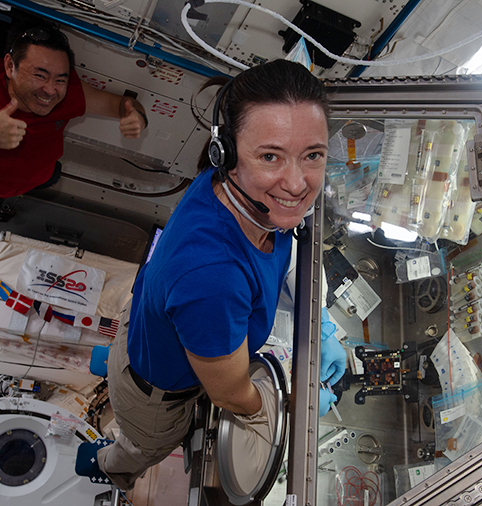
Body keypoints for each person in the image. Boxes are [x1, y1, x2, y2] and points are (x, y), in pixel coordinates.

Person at [89, 59, 347, 491]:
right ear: (224, 153)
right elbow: (231, 395)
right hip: (155, 401)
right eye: (270, 156)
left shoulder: (245, 195)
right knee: (142, 447)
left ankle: (123, 366)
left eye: (313, 156)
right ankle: (108, 467)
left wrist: (322, 326)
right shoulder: (213, 275)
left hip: (153, 328)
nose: (298, 183)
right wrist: (288, 404)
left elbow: (289, 249)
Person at [0, 25, 148, 222]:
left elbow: (123, 104)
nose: (50, 90)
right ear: (10, 66)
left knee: (52, 177)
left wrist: (136, 116)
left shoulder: (70, 90)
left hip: (41, 173)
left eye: (59, 79)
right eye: (39, 75)